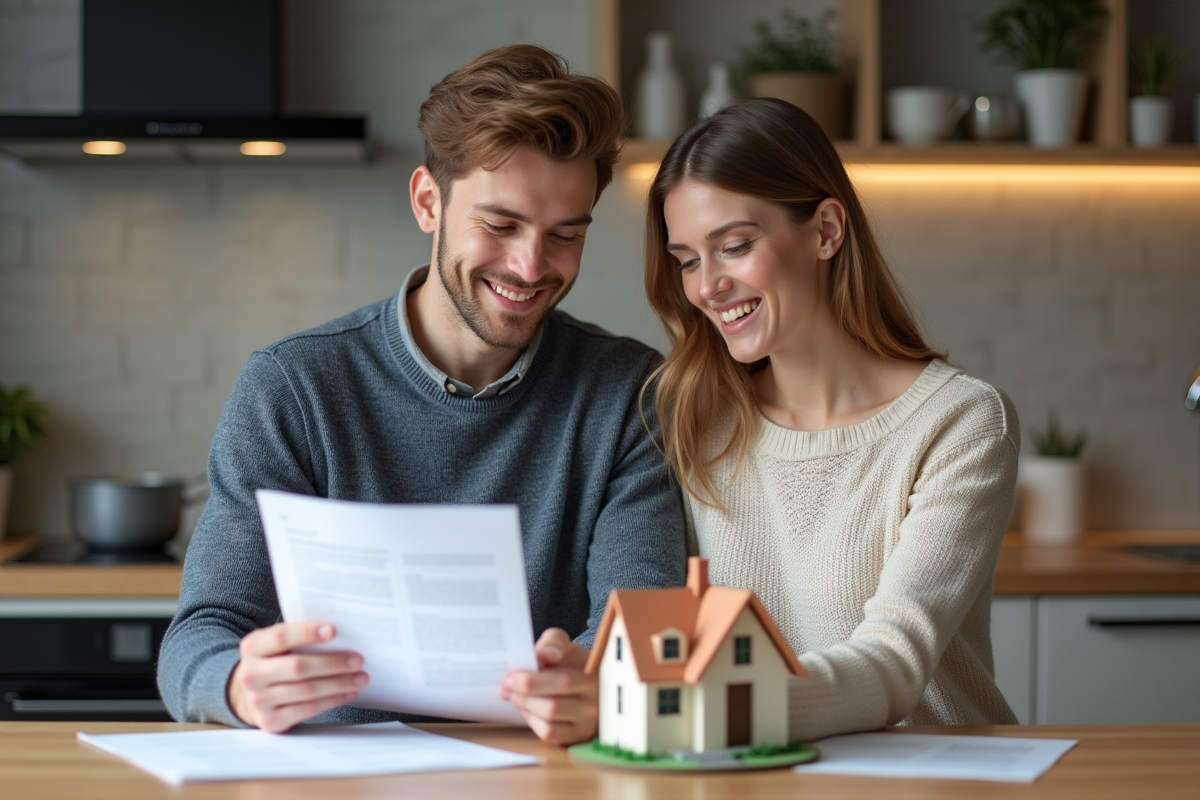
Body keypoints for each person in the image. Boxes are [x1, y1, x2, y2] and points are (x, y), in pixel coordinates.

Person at [158, 45, 687, 745]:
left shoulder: (628, 394)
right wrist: (235, 683)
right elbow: (199, 634)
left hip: (545, 776)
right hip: (332, 779)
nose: (531, 266)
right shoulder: (294, 388)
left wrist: (596, 678)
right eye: (499, 226)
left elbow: (641, 623)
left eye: (565, 235)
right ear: (427, 202)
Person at [642, 98, 1019, 741]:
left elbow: (895, 665)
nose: (706, 287)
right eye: (687, 260)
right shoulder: (697, 424)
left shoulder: (959, 422)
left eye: (733, 246)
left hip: (943, 776)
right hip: (764, 779)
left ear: (825, 231)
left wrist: (712, 711)